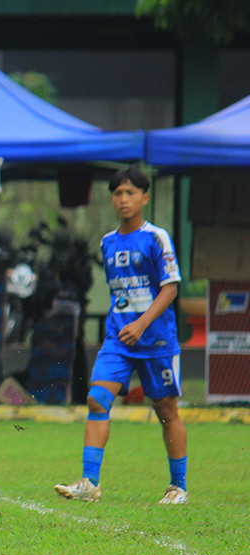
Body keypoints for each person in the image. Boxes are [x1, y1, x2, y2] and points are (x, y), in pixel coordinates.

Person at [54, 164, 188, 504]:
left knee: (166, 410)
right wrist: (126, 323)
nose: (123, 199)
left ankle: (178, 486)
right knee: (98, 397)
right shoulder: (108, 242)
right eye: (117, 193)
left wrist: (142, 323)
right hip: (119, 337)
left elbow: (170, 288)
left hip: (155, 338)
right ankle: (90, 483)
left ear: (145, 197)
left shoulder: (157, 237)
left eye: (130, 193)